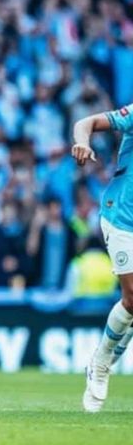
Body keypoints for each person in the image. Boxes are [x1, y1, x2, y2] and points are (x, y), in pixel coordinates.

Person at [72, 104, 133, 412]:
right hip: (122, 215)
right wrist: (83, 143)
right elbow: (87, 121)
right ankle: (101, 360)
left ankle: (108, 356)